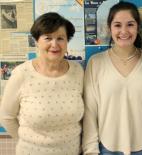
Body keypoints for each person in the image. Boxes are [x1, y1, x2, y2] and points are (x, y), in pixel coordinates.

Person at [0, 12, 84, 155]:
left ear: (66, 42)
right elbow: (7, 117)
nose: (54, 44)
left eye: (60, 38)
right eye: (48, 38)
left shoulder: (77, 71)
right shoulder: (22, 74)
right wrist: (27, 142)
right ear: (37, 41)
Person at [82, 1, 142, 155]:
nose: (124, 31)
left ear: (138, 27)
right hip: (108, 147)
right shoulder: (96, 63)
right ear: (110, 29)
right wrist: (90, 150)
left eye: (130, 24)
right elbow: (90, 111)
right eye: (117, 25)